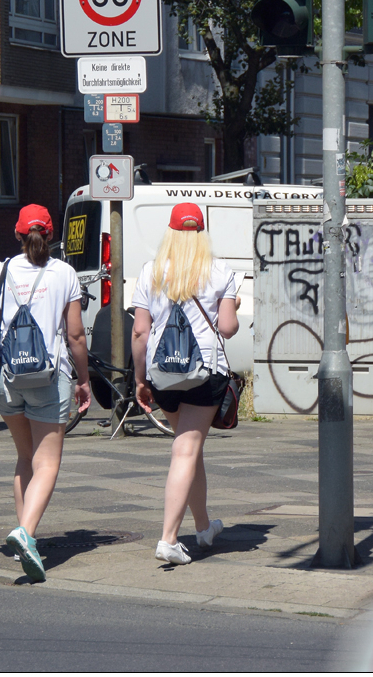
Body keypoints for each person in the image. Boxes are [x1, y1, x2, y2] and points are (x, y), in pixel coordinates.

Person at [0, 205, 91, 583]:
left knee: (24, 458)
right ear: (50, 236)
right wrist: (84, 380)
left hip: (8, 377)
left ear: (18, 235)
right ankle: (25, 532)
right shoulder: (64, 273)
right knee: (47, 463)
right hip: (49, 378)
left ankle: (28, 535)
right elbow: (74, 335)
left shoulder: (0, 271)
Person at [131, 203, 239, 564]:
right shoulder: (220, 271)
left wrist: (139, 378)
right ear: (202, 233)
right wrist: (233, 304)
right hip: (204, 373)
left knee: (189, 449)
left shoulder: (150, 272)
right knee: (186, 451)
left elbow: (140, 332)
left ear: (171, 232)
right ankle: (168, 539)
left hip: (163, 374)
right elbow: (226, 328)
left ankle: (204, 527)